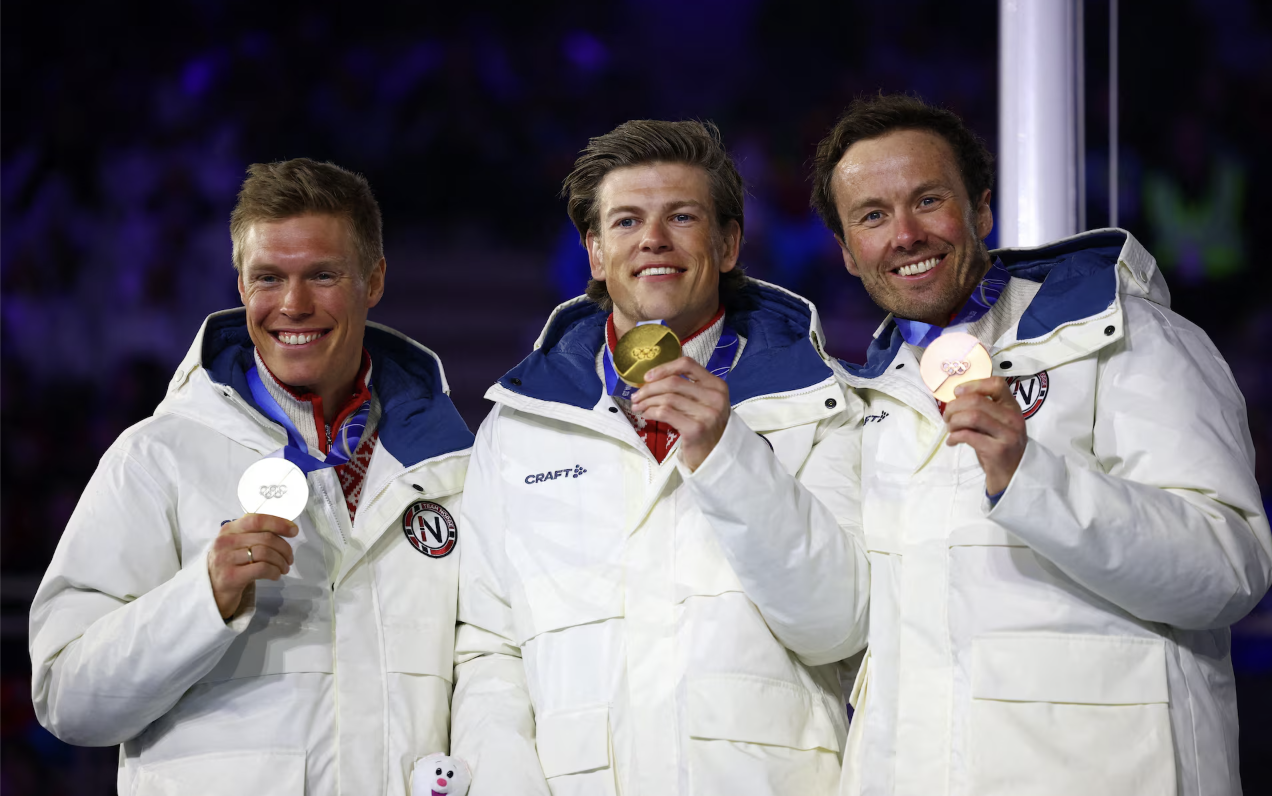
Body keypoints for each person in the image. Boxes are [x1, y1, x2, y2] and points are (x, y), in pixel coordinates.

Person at [810, 93, 1272, 796]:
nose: (904, 234)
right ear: (847, 253)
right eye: (872, 216)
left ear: (982, 213)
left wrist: (1030, 478)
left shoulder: (1128, 334)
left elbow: (1228, 566)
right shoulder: (865, 398)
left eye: (928, 200)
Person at [450, 120, 870, 795]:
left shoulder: (822, 402)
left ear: (728, 244)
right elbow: (489, 649)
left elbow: (837, 626)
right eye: (626, 221)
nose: (653, 239)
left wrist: (727, 453)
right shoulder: (520, 424)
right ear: (594, 252)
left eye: (682, 216)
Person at [29, 158, 473, 795]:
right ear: (240, 285)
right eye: (269, 277)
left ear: (373, 280)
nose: (293, 305)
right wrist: (202, 596)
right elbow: (66, 698)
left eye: (322, 275)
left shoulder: (454, 467)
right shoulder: (157, 457)